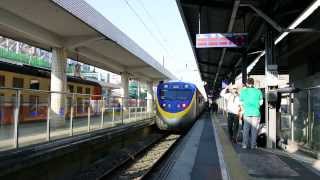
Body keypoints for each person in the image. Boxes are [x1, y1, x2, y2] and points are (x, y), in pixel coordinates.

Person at [239, 78, 263, 149]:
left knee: (246, 129)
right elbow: (261, 103)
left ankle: (244, 145)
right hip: (256, 113)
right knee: (254, 130)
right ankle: (253, 145)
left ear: (246, 83)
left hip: (247, 113)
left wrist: (245, 107)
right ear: (253, 83)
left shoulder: (243, 91)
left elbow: (240, 103)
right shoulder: (258, 91)